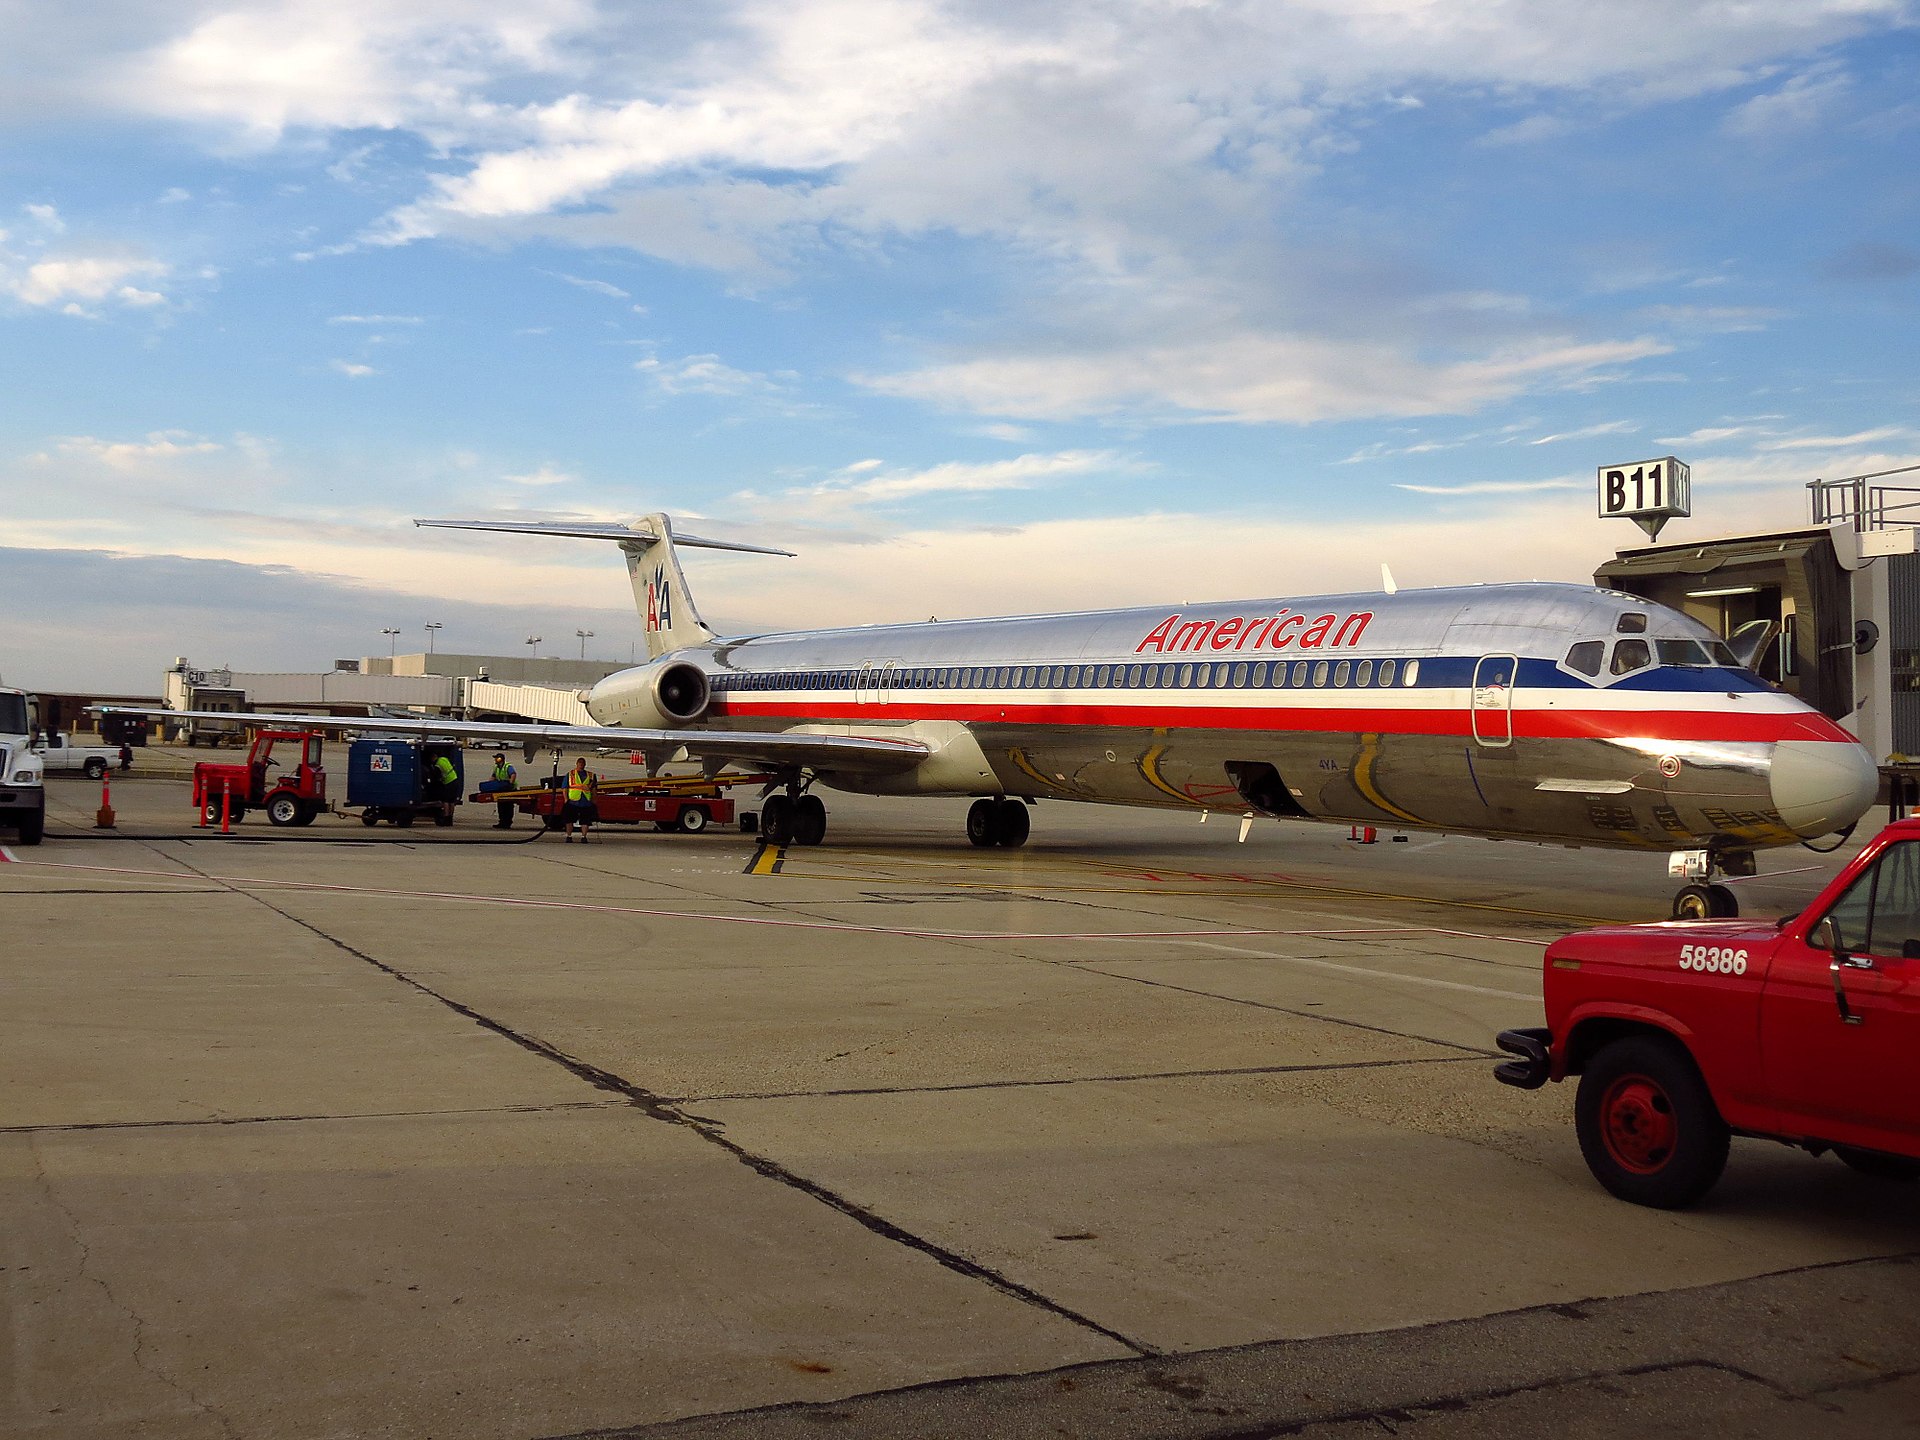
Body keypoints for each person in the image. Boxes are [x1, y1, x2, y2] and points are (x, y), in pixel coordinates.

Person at [562, 757, 598, 842]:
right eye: (580, 763)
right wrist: (566, 799)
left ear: (585, 764)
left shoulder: (591, 775)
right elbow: (565, 788)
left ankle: (583, 837)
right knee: (569, 820)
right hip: (573, 801)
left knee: (585, 821)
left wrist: (594, 799)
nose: (581, 765)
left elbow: (594, 789)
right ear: (577, 764)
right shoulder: (570, 774)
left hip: (585, 801)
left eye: (583, 763)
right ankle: (569, 836)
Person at [487, 753, 517, 829]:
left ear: (500, 759)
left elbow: (513, 774)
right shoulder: (496, 768)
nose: (495, 760)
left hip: (509, 789)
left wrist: (510, 783)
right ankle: (502, 822)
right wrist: (488, 785)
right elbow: (493, 777)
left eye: (496, 758)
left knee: (508, 807)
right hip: (501, 789)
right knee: (501, 806)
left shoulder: (508, 766)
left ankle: (507, 823)